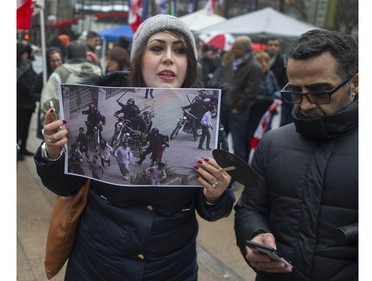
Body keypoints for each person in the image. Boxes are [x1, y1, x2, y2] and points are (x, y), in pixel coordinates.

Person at [35, 14, 234, 280]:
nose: (168, 57)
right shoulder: (101, 99)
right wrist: (53, 152)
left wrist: (216, 195)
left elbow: (212, 209)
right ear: (139, 58)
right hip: (96, 264)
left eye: (180, 50)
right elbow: (65, 186)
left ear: (190, 64)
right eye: (157, 48)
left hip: (171, 268)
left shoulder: (212, 117)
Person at [234, 29, 358, 280]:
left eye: (321, 91)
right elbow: (249, 208)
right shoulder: (273, 143)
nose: (305, 104)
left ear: (355, 84)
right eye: (296, 92)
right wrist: (254, 236)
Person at [217, 35, 263, 162]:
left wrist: (238, 107)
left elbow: (251, 91)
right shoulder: (231, 62)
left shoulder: (254, 67)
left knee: (238, 144)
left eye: (236, 47)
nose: (233, 49)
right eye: (233, 46)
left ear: (245, 50)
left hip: (239, 111)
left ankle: (239, 174)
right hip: (224, 108)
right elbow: (224, 80)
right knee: (220, 140)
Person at [39, 40, 102, 122]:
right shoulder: (98, 71)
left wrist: (52, 123)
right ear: (85, 55)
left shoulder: (60, 72)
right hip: (93, 120)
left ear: (67, 56)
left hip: (65, 126)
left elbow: (49, 102)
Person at [246, 50, 280, 151]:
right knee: (252, 136)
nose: (264, 64)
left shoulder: (270, 74)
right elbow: (250, 95)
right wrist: (265, 98)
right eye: (260, 61)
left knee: (267, 136)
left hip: (268, 110)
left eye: (266, 61)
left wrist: (276, 96)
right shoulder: (252, 74)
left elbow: (277, 89)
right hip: (255, 111)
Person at [31, 47, 64, 139]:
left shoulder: (64, 75)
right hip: (47, 112)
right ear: (48, 62)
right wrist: (46, 96)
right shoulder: (43, 76)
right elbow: (33, 93)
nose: (56, 63)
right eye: (53, 61)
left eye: (58, 60)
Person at [17, 41, 38, 159]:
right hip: (20, 104)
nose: (26, 55)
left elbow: (34, 77)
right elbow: (21, 84)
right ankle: (17, 150)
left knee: (26, 129)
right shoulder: (17, 67)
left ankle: (23, 147)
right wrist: (31, 89)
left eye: (27, 53)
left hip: (29, 103)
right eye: (24, 53)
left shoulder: (28, 65)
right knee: (18, 129)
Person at [266, 37, 292, 127]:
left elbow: (285, 81)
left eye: (275, 45)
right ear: (267, 46)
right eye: (270, 45)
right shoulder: (262, 60)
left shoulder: (282, 62)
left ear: (279, 48)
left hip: (276, 98)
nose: (273, 47)